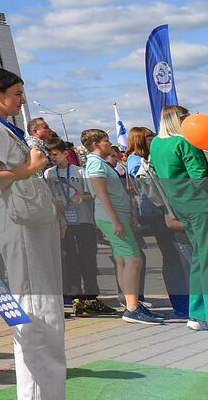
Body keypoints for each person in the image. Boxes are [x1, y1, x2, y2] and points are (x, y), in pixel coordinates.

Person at [0, 68, 66, 398]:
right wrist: (29, 168)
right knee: (39, 314)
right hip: (19, 225)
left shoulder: (2, 128)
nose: (22, 100)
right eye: (17, 94)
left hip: (29, 223)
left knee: (45, 310)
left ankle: (46, 391)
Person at [80, 128, 162, 324]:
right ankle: (132, 307)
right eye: (106, 141)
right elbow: (101, 194)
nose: (109, 144)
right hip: (112, 217)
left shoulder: (100, 163)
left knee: (122, 260)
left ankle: (130, 303)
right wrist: (115, 220)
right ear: (96, 145)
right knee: (134, 260)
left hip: (116, 216)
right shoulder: (95, 164)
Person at [150, 105, 208, 334]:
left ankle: (197, 314)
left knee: (200, 259)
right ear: (178, 120)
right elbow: (199, 178)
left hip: (181, 206)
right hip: (202, 206)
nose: (191, 122)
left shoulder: (157, 143)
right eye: (186, 118)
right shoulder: (185, 142)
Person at [126, 127, 189, 317]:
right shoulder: (135, 160)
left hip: (161, 209)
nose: (152, 139)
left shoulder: (148, 157)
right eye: (148, 137)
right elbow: (148, 183)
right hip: (156, 211)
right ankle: (180, 302)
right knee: (172, 256)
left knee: (176, 256)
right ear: (139, 140)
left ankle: (183, 300)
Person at [41, 138, 106, 314]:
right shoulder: (49, 174)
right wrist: (54, 201)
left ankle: (91, 297)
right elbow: (47, 196)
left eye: (55, 154)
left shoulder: (80, 171)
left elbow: (92, 195)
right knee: (70, 259)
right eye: (49, 155)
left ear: (64, 153)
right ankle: (76, 296)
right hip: (64, 223)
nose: (52, 158)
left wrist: (81, 198)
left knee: (88, 257)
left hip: (83, 220)